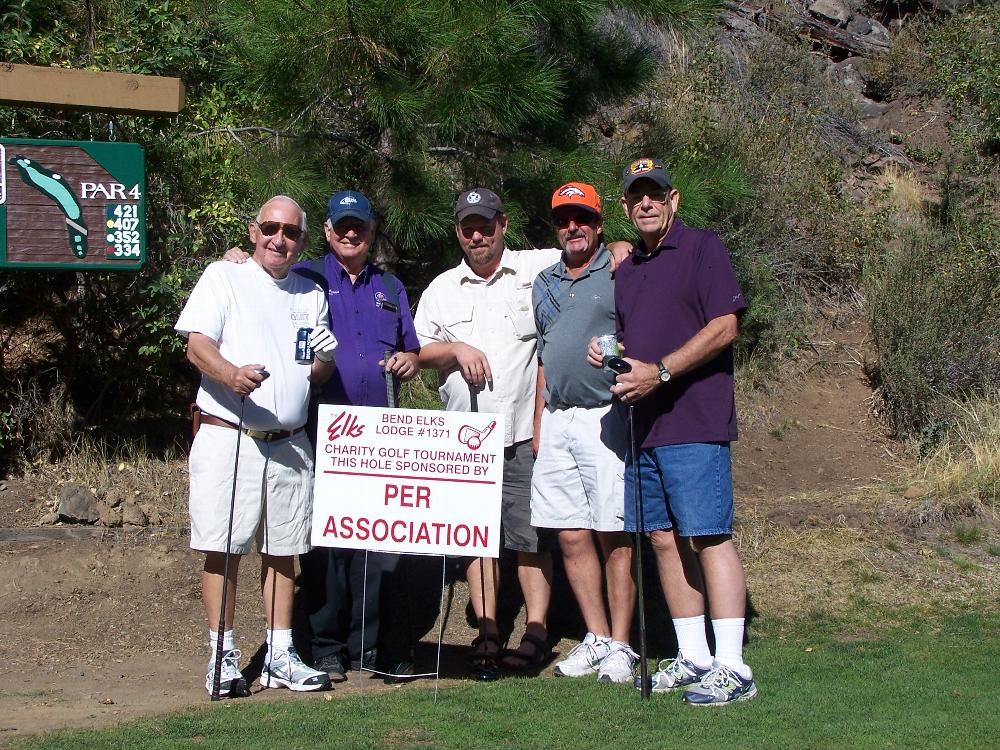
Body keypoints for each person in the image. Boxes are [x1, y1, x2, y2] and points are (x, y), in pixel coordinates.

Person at [225, 190, 420, 683]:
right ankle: (325, 645)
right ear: (328, 232)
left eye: (360, 226)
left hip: (379, 439)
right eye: (341, 226)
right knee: (325, 547)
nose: (351, 233)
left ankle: (369, 646)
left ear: (371, 232)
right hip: (321, 432)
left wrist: (410, 362)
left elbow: (411, 353)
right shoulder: (305, 277)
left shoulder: (391, 287)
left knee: (378, 545)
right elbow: (259, 275)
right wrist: (233, 257)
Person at [587, 158, 757, 705]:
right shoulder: (628, 269)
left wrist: (660, 372)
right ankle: (693, 656)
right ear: (625, 206)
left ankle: (733, 666)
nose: (646, 203)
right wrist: (610, 358)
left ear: (673, 199)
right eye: (636, 196)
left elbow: (725, 326)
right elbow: (637, 346)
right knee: (662, 538)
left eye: (655, 194)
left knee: (707, 534)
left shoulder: (703, 248)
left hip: (694, 418)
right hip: (645, 423)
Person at [176, 195, 337, 696]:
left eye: (290, 232)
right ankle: (222, 655)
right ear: (253, 230)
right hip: (231, 435)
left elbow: (312, 372)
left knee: (284, 551)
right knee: (223, 548)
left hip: (291, 443)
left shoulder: (310, 295)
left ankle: (280, 653)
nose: (279, 239)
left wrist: (327, 361)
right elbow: (196, 344)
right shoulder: (224, 277)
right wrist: (230, 375)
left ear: (303, 242)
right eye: (271, 227)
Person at [414, 188, 561, 676]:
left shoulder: (537, 267)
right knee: (478, 538)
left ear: (503, 226)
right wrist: (456, 348)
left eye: (486, 225)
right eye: (467, 227)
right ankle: (489, 630)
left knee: (529, 537)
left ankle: (537, 630)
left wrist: (624, 248)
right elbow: (418, 353)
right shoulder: (441, 288)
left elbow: (593, 254)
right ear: (458, 232)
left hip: (522, 433)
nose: (477, 235)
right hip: (465, 444)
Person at [531, 183, 638, 683]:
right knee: (571, 534)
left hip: (606, 415)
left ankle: (622, 644)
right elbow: (544, 355)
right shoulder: (544, 282)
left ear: (598, 224)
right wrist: (538, 423)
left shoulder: (620, 269)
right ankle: (595, 637)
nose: (572, 227)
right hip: (557, 418)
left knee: (612, 534)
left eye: (581, 219)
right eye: (562, 220)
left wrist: (623, 250)